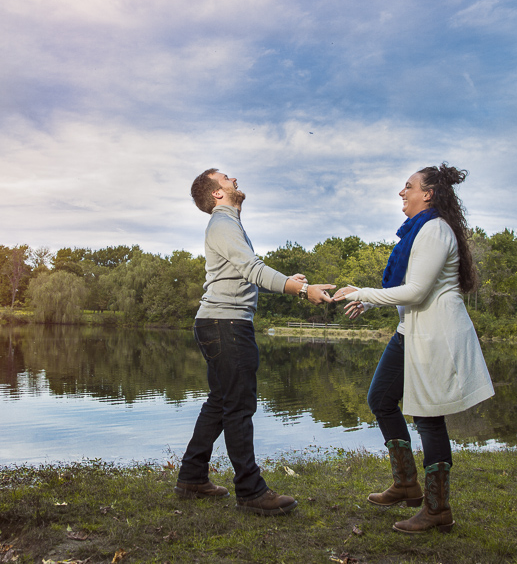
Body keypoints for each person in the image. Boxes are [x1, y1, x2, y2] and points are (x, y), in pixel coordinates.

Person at [332, 163, 494, 534]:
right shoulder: (419, 232)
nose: (401, 193)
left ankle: (438, 509)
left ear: (429, 194)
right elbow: (410, 288)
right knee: (381, 399)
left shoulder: (435, 230)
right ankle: (406, 484)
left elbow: (418, 291)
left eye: (409, 187)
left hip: (436, 336)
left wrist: (363, 293)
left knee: (429, 417)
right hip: (411, 331)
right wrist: (371, 302)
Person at [175, 168, 334, 516]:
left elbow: (246, 270)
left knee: (221, 402)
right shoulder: (222, 224)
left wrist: (290, 280)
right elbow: (254, 270)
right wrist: (303, 289)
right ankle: (250, 490)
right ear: (217, 193)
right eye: (227, 178)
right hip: (226, 325)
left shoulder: (228, 225)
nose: (234, 179)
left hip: (219, 323)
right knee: (239, 406)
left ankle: (191, 476)